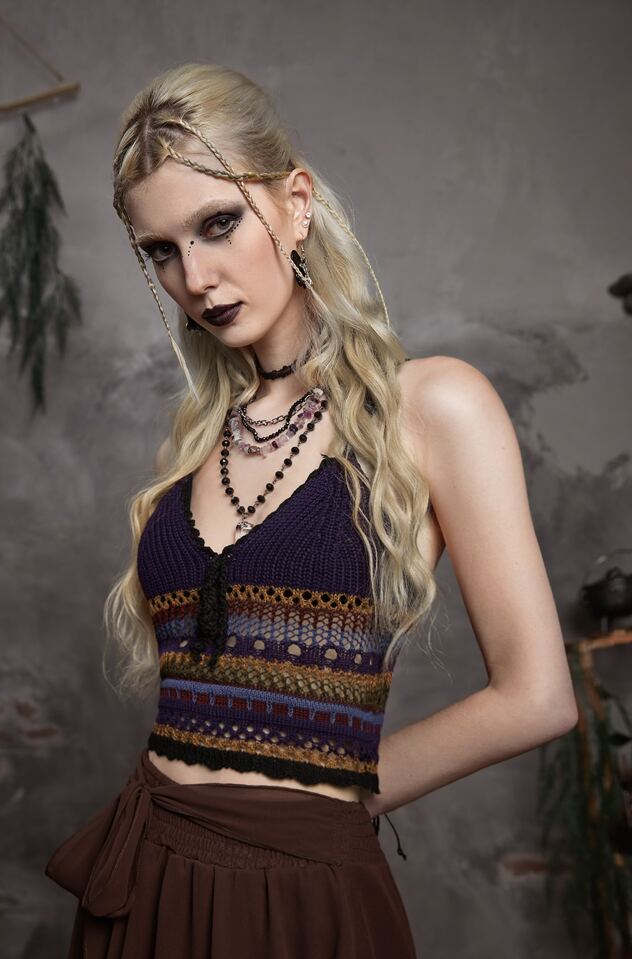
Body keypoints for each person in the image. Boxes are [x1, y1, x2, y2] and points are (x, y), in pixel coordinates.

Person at [45, 62, 579, 958]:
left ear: (295, 204)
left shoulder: (432, 406)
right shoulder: (197, 446)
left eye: (218, 224)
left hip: (297, 886)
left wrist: (332, 799)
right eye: (162, 251)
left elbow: (538, 697)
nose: (196, 277)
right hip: (146, 876)